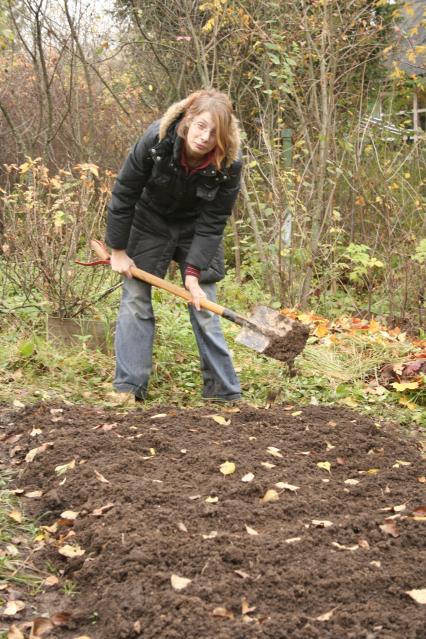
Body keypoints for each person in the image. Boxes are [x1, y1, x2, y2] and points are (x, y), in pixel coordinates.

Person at [106, 88, 242, 404]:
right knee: (136, 298)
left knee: (204, 305)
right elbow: (124, 193)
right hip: (149, 220)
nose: (205, 138)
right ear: (188, 121)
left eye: (214, 133)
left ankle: (223, 392)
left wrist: (193, 274)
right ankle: (129, 388)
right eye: (201, 127)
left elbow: (213, 221)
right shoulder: (157, 141)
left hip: (196, 227)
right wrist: (118, 251)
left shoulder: (230, 163)